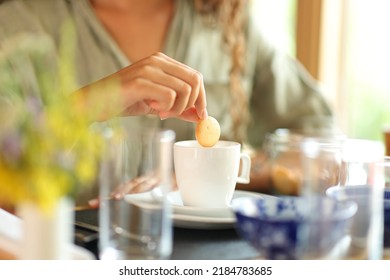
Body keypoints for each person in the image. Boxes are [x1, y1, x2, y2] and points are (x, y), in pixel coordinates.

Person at [0, 0, 335, 206]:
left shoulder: (227, 20)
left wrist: (199, 176)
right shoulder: (19, 23)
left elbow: (323, 151)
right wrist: (88, 105)